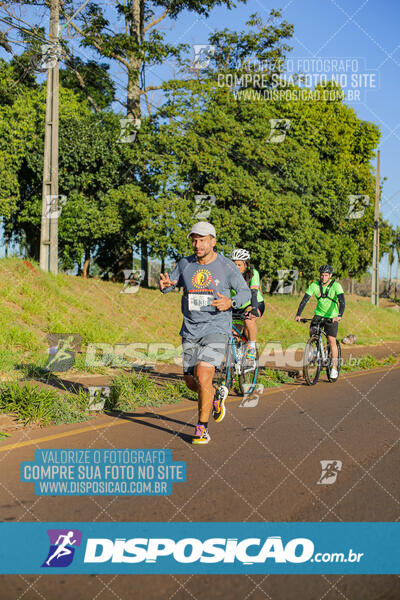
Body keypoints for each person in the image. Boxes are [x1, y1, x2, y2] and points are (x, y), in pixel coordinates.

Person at [159, 222, 250, 444]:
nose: (197, 244)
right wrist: (166, 286)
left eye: (202, 240)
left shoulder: (227, 266)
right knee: (192, 383)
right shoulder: (185, 264)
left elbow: (245, 293)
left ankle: (202, 428)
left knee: (203, 374)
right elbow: (171, 283)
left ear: (213, 241)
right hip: (190, 329)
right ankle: (217, 395)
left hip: (217, 327)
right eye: (194, 240)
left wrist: (231, 301)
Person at [295, 265, 345, 379]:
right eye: (322, 275)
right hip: (318, 315)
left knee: (332, 341)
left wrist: (339, 316)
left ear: (330, 276)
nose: (323, 277)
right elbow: (304, 300)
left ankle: (334, 368)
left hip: (332, 317)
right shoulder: (314, 285)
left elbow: (342, 302)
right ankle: (316, 352)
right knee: (313, 335)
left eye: (326, 275)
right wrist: (298, 314)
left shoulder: (336, 286)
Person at [230, 249, 265, 361]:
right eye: (234, 264)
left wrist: (253, 309)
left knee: (248, 319)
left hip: (253, 303)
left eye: (239, 265)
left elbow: (253, 293)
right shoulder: (229, 274)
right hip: (237, 305)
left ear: (246, 264)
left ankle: (252, 347)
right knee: (232, 335)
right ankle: (235, 369)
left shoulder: (253, 273)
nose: (236, 267)